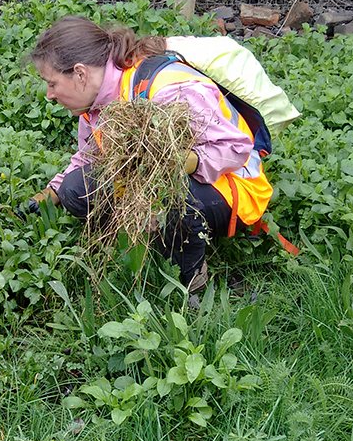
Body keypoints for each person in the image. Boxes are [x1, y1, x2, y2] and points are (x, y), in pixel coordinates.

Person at [26, 16, 299, 290]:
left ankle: (190, 280)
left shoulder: (168, 89)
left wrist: (177, 161)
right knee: (76, 189)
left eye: (52, 83)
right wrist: (51, 193)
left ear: (80, 73)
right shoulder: (96, 101)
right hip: (151, 182)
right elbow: (88, 156)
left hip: (229, 187)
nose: (49, 94)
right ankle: (140, 240)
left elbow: (235, 148)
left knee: (171, 199)